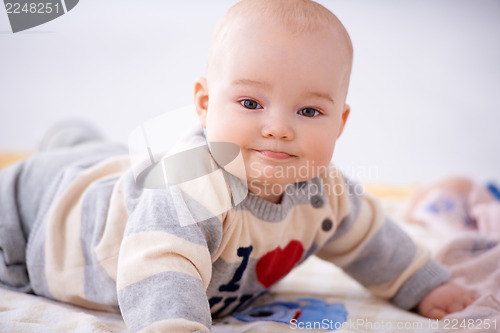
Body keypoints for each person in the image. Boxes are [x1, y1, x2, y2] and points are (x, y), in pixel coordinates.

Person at [0, 0, 476, 332]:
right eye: (250, 102)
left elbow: (372, 238)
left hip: (117, 180)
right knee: (89, 173)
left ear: (340, 122)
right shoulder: (193, 185)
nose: (277, 128)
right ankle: (68, 146)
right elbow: (161, 267)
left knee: (116, 162)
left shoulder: (323, 192)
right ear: (205, 105)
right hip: (41, 219)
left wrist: (422, 286)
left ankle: (75, 141)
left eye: (308, 112)